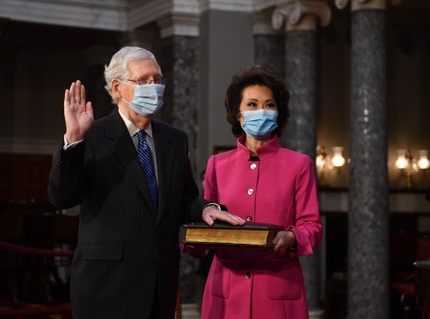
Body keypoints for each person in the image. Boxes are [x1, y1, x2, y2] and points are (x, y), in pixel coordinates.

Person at [47, 46, 244, 319]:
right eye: (143, 81)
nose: (154, 87)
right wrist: (73, 140)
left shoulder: (174, 139)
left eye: (158, 80)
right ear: (117, 88)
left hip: (159, 284)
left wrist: (204, 209)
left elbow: (185, 196)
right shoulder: (92, 134)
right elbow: (63, 197)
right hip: (106, 285)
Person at [200, 65, 323, 319]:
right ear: (239, 115)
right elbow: (204, 218)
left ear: (279, 113)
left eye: (269, 105)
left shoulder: (299, 164)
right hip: (226, 291)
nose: (262, 111)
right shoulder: (217, 165)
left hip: (278, 291)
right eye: (253, 105)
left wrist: (292, 236)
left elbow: (312, 226)